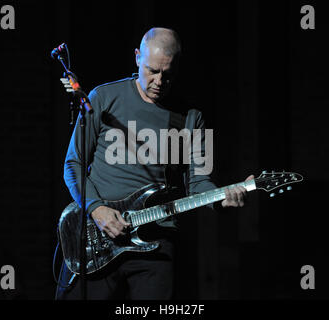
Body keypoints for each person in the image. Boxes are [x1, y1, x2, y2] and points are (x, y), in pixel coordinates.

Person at [55, 27, 254, 300]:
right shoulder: (102, 98)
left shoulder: (191, 117)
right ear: (137, 57)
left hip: (156, 239)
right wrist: (96, 209)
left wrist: (221, 199)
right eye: (152, 71)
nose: (159, 81)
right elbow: (73, 164)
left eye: (167, 73)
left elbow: (198, 183)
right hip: (96, 237)